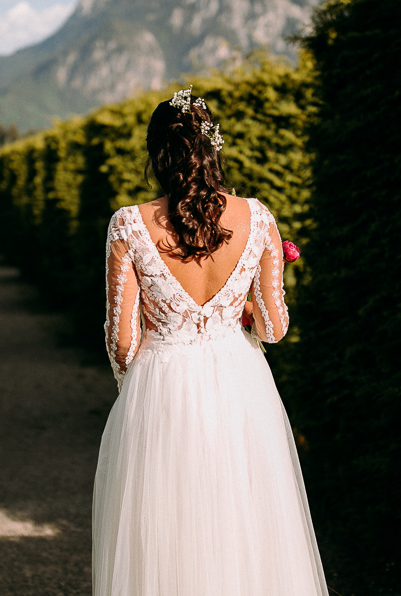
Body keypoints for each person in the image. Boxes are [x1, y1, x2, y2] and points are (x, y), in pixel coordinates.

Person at [92, 88, 327, 595]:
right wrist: (235, 310)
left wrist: (135, 394)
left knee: (168, 533)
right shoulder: (258, 217)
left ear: (157, 155)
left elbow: (122, 340)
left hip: (163, 387)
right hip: (241, 384)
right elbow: (274, 328)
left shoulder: (127, 225)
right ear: (213, 149)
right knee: (246, 527)